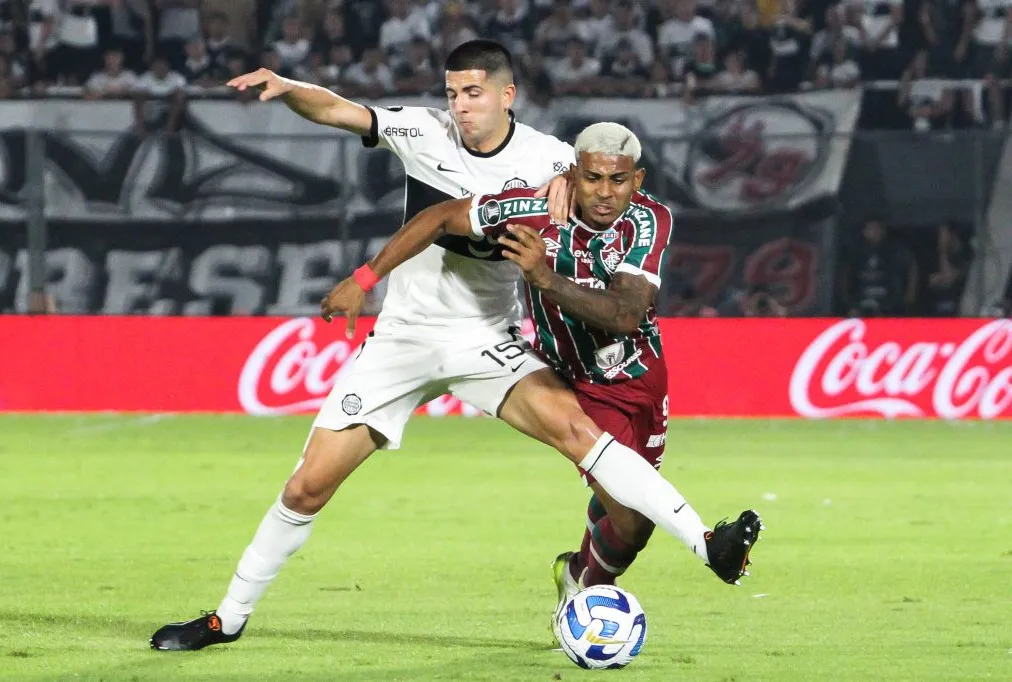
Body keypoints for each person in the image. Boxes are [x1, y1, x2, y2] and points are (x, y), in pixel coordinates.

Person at [149, 41, 756, 653]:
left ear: (505, 95)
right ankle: (226, 619)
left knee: (578, 433)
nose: (460, 107)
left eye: (473, 94)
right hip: (403, 339)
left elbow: (597, 208)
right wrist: (287, 88)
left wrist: (570, 197)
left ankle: (707, 543)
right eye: (453, 94)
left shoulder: (554, 161)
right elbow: (338, 111)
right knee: (307, 488)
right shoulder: (421, 128)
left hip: (486, 338)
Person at [321, 122, 762, 636]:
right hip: (573, 384)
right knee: (630, 512)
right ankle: (685, 554)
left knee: (630, 523)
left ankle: (578, 573)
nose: (604, 192)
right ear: (573, 173)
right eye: (592, 177)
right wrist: (366, 278)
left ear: (636, 180)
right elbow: (439, 216)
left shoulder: (650, 221)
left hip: (641, 378)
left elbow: (623, 314)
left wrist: (543, 277)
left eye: (617, 181)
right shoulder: (529, 212)